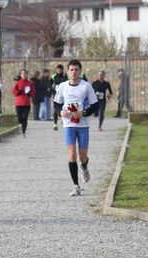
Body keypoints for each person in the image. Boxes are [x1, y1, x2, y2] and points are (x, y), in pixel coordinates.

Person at [53, 59, 99, 197]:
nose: (74, 72)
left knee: (82, 156)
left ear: (80, 71)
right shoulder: (62, 86)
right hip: (69, 125)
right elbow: (56, 103)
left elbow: (95, 105)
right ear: (68, 72)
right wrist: (60, 112)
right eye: (71, 70)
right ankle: (76, 186)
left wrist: (83, 113)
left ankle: (84, 166)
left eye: (76, 70)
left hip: (83, 125)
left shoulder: (86, 86)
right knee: (72, 154)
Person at [13, 69, 35, 137]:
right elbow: (14, 92)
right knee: (20, 119)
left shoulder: (30, 83)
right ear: (20, 75)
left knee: (25, 118)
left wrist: (29, 94)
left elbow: (33, 92)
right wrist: (18, 92)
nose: (24, 75)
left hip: (26, 104)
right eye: (22, 74)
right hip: (19, 103)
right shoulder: (17, 83)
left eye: (25, 74)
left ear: (27, 75)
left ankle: (23, 131)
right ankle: (21, 125)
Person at [51, 64, 68, 130]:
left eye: (60, 69)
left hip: (64, 95)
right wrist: (52, 90)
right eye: (58, 69)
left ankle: (63, 120)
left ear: (62, 70)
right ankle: (55, 124)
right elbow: (50, 85)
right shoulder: (54, 76)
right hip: (56, 95)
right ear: (56, 70)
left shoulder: (65, 76)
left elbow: (67, 83)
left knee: (64, 108)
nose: (59, 70)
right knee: (56, 109)